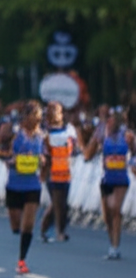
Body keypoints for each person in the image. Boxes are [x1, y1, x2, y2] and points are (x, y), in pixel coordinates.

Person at [83, 106, 134, 259]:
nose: (110, 122)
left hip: (121, 180)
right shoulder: (101, 134)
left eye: (112, 119)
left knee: (115, 209)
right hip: (106, 179)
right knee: (107, 216)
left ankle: (115, 247)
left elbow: (134, 152)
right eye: (108, 120)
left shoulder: (127, 135)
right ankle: (112, 245)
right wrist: (93, 141)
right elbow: (88, 155)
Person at [1, 100, 45, 274]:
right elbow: (0, 151)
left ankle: (22, 260)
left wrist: (43, 161)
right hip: (14, 184)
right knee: (16, 226)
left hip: (32, 184)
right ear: (26, 117)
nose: (38, 120)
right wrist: (10, 159)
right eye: (35, 116)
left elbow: (46, 156)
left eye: (39, 117)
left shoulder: (42, 136)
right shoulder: (14, 134)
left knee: (28, 225)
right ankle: (19, 240)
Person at [40, 101, 82, 243]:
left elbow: (75, 148)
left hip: (65, 171)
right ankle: (60, 231)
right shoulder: (45, 132)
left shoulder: (69, 130)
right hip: (52, 172)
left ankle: (45, 228)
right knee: (58, 202)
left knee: (61, 203)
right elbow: (45, 154)